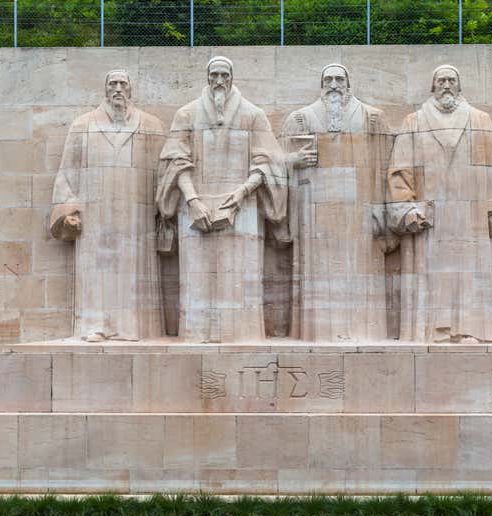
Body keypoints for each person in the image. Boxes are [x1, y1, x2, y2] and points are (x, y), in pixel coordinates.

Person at [156, 56, 288, 343]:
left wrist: (241, 194)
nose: (219, 81)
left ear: (232, 78)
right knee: (196, 280)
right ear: (207, 78)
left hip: (243, 206)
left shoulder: (253, 115)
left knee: (241, 281)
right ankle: (197, 336)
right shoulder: (186, 114)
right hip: (195, 208)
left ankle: (242, 336)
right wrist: (192, 200)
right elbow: (175, 161)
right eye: (214, 75)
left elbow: (269, 162)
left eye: (224, 75)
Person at [387, 65, 492, 343]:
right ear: (433, 86)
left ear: (459, 86)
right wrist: (407, 209)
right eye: (441, 80)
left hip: (471, 214)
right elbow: (399, 170)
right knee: (431, 273)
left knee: (471, 273)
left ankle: (472, 330)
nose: (446, 85)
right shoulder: (414, 122)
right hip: (431, 215)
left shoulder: (480, 120)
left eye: (451, 80)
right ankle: (431, 330)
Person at [50, 69, 165, 342]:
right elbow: (67, 172)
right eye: (112, 83)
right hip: (95, 216)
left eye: (122, 84)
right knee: (97, 270)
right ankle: (96, 324)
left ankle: (133, 326)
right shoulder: (83, 125)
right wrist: (67, 211)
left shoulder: (150, 125)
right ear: (105, 89)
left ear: (130, 90)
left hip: (137, 216)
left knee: (132, 267)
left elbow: (164, 172)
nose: (117, 89)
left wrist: (164, 211)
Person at [281, 63, 393, 341]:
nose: (334, 84)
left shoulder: (372, 118)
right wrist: (293, 162)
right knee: (318, 273)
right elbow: (276, 160)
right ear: (321, 86)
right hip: (313, 212)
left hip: (360, 212)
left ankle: (362, 332)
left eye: (339, 79)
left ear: (348, 84)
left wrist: (382, 207)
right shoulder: (301, 118)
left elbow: (386, 166)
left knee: (361, 271)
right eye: (328, 79)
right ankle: (317, 333)